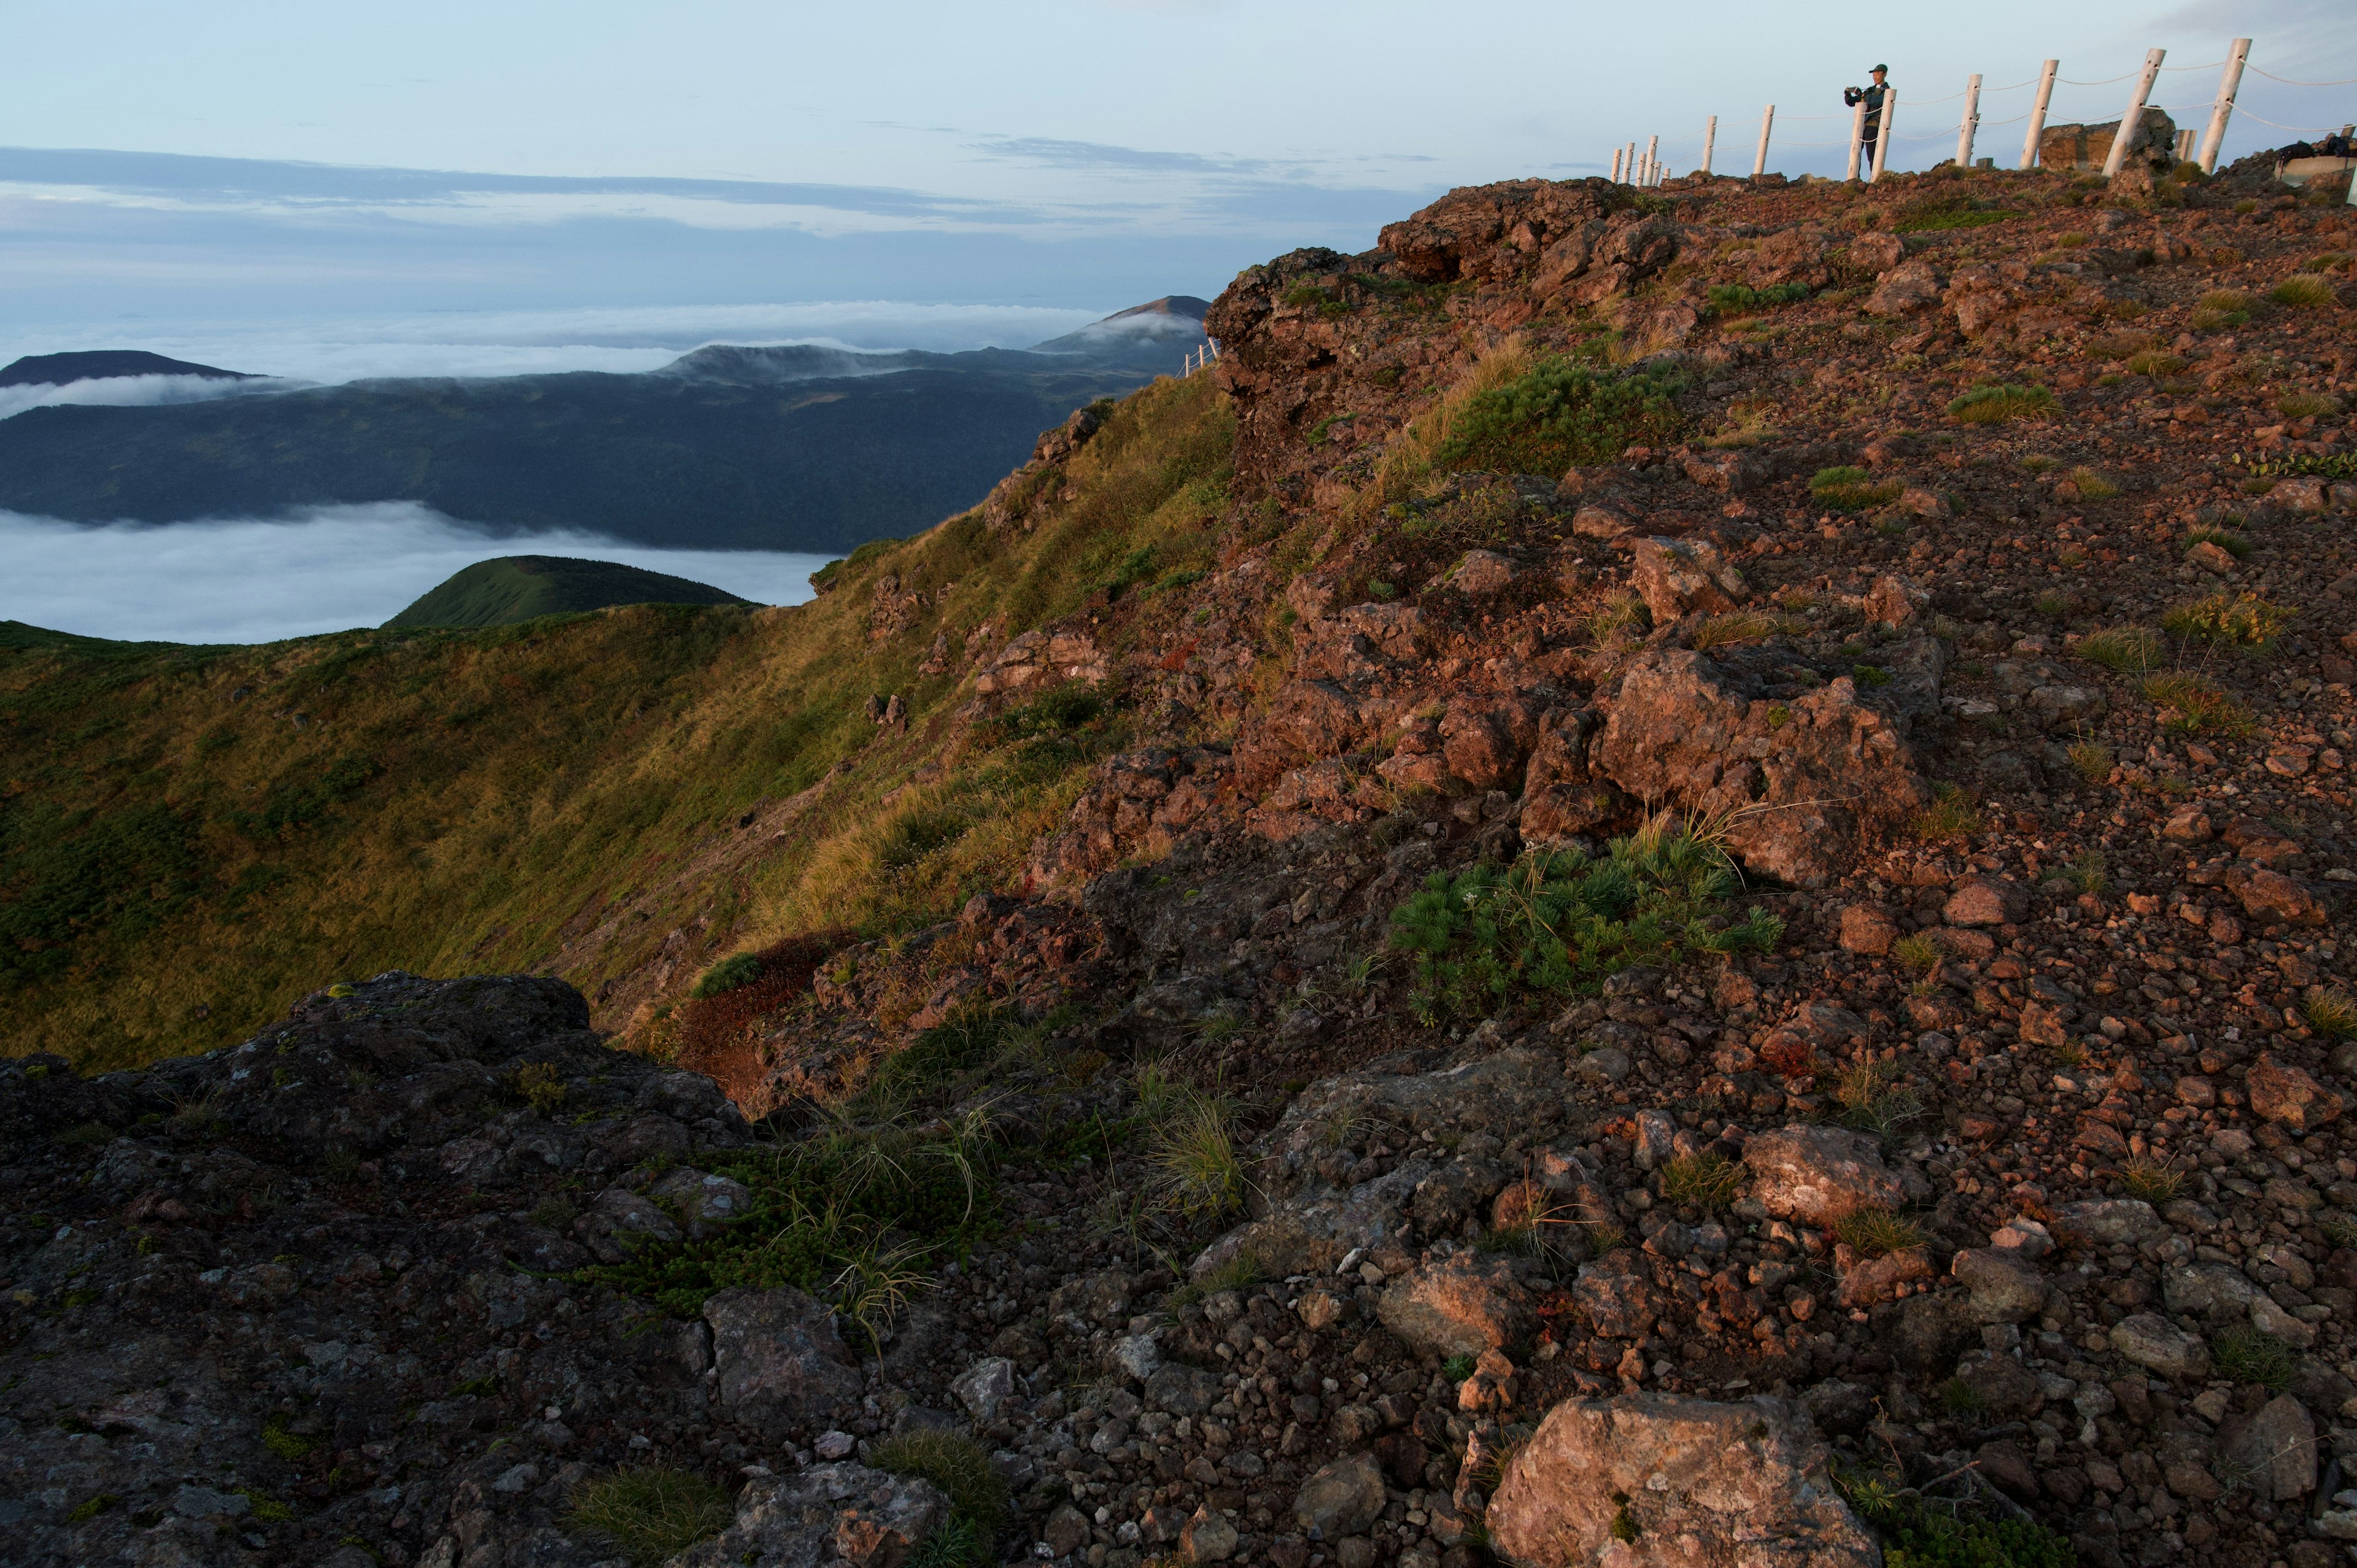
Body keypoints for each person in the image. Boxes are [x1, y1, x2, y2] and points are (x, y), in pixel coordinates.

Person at [1844, 65, 1892, 173]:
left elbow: (1878, 101)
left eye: (1877, 73)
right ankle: (1856, 178)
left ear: (1885, 74)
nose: (1875, 76)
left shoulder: (1887, 91)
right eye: (1874, 74)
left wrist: (1862, 96)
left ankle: (1875, 177)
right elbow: (1853, 102)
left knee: (1872, 154)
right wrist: (1848, 95)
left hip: (1874, 125)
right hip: (1863, 125)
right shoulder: (1870, 91)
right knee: (1856, 152)